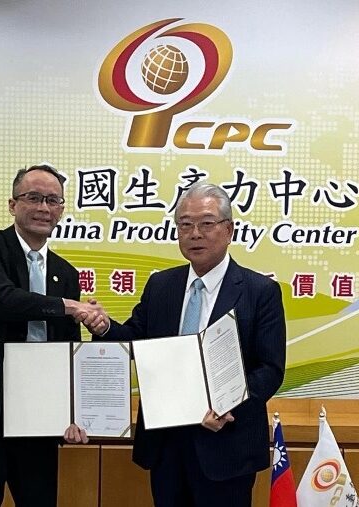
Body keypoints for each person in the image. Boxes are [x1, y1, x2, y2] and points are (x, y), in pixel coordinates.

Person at [84, 182, 286, 507]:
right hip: (167, 443)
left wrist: (226, 405)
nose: (195, 234)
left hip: (225, 444)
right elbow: (137, 340)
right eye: (185, 224)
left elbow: (269, 369)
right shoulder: (162, 285)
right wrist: (105, 327)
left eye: (206, 223)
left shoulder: (259, 291)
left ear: (229, 230)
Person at [0, 164, 102, 507]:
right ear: (12, 204)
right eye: (34, 198)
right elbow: (1, 299)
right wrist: (68, 306)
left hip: (39, 415)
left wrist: (74, 411)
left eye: (53, 200)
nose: (44, 207)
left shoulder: (65, 273)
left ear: (61, 209)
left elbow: (68, 348)